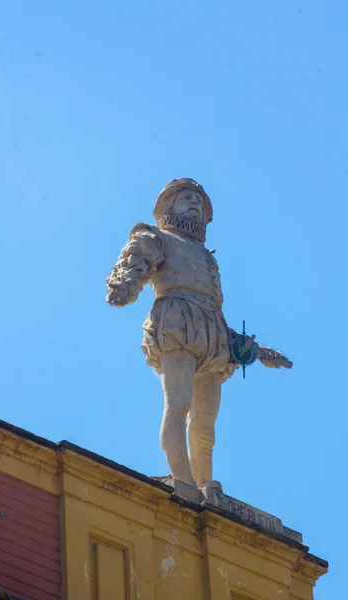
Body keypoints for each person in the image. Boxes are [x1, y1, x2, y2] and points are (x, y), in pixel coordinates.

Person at [106, 178, 240, 488]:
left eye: (199, 199)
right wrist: (124, 287)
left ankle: (205, 486)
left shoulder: (209, 258)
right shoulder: (157, 236)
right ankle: (184, 483)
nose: (194, 201)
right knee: (178, 405)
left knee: (205, 426)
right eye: (186, 197)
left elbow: (211, 303)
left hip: (212, 334)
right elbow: (135, 263)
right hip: (177, 325)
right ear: (169, 205)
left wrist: (250, 348)